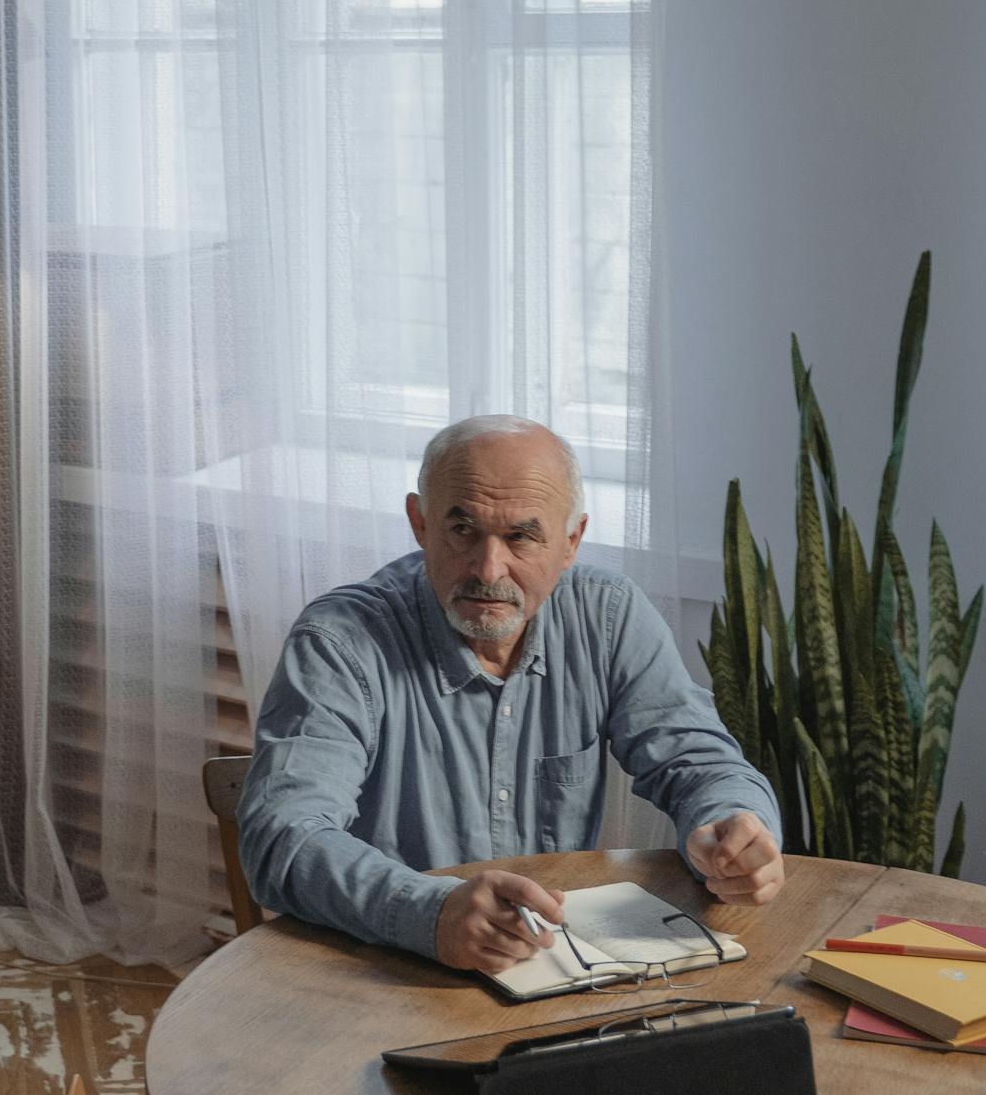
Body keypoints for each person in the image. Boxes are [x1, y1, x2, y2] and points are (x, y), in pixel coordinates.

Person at [234, 415, 784, 976]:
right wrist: (430, 912)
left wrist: (734, 829)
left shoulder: (609, 618)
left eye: (521, 535)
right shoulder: (340, 642)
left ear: (571, 542)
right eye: (462, 530)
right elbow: (283, 838)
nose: (488, 569)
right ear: (419, 523)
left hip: (552, 966)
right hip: (384, 966)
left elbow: (701, 762)